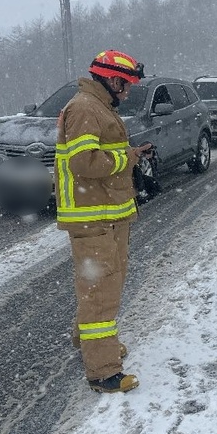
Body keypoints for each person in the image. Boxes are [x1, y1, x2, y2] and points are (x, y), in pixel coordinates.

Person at [56, 49, 151, 393]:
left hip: (104, 216)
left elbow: (98, 156)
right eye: (125, 87)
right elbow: (84, 163)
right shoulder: (85, 108)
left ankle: (93, 344)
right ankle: (103, 372)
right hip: (94, 219)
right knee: (101, 294)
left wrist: (131, 156)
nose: (127, 94)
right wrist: (125, 158)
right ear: (112, 80)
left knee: (101, 287)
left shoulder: (96, 106)